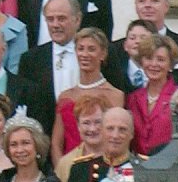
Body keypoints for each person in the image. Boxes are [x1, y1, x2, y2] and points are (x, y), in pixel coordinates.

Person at [50, 29, 125, 165]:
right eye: (80, 49)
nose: (85, 54)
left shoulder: (115, 95)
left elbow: (116, 139)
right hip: (69, 168)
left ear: (102, 54)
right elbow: (56, 143)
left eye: (91, 49)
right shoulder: (65, 96)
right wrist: (62, 172)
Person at [17, 0, 84, 130]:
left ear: (77, 20)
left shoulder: (93, 52)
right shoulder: (30, 60)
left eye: (61, 19)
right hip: (46, 136)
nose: (55, 25)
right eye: (50, 19)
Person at [126, 33, 178, 155]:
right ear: (141, 62)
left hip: (169, 167)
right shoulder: (132, 99)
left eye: (160, 59)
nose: (153, 64)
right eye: (149, 58)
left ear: (170, 65)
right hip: (138, 167)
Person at [55, 91, 108, 182]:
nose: (92, 129)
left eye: (98, 122)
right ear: (78, 126)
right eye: (86, 123)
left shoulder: (117, 156)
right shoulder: (66, 163)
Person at [107, 17, 160, 92]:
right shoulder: (114, 73)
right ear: (125, 45)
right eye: (132, 38)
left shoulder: (161, 74)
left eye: (143, 38)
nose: (137, 41)